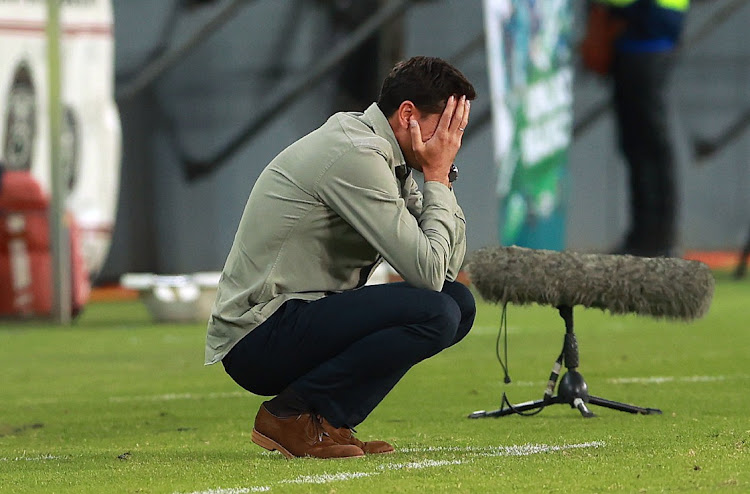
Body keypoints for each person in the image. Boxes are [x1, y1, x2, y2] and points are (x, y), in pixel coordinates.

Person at [205, 56, 477, 459]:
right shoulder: (356, 155)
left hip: (299, 318)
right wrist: (437, 176)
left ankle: (328, 423)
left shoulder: (383, 154)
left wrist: (443, 177)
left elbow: (446, 265)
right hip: (258, 334)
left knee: (458, 304)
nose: (452, 140)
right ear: (408, 115)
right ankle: (290, 414)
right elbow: (429, 272)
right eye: (448, 126)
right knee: (436, 311)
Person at [581, 0, 690, 257]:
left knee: (650, 144)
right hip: (634, 38)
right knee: (637, 145)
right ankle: (644, 236)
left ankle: (658, 238)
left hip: (647, 35)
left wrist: (614, 16)